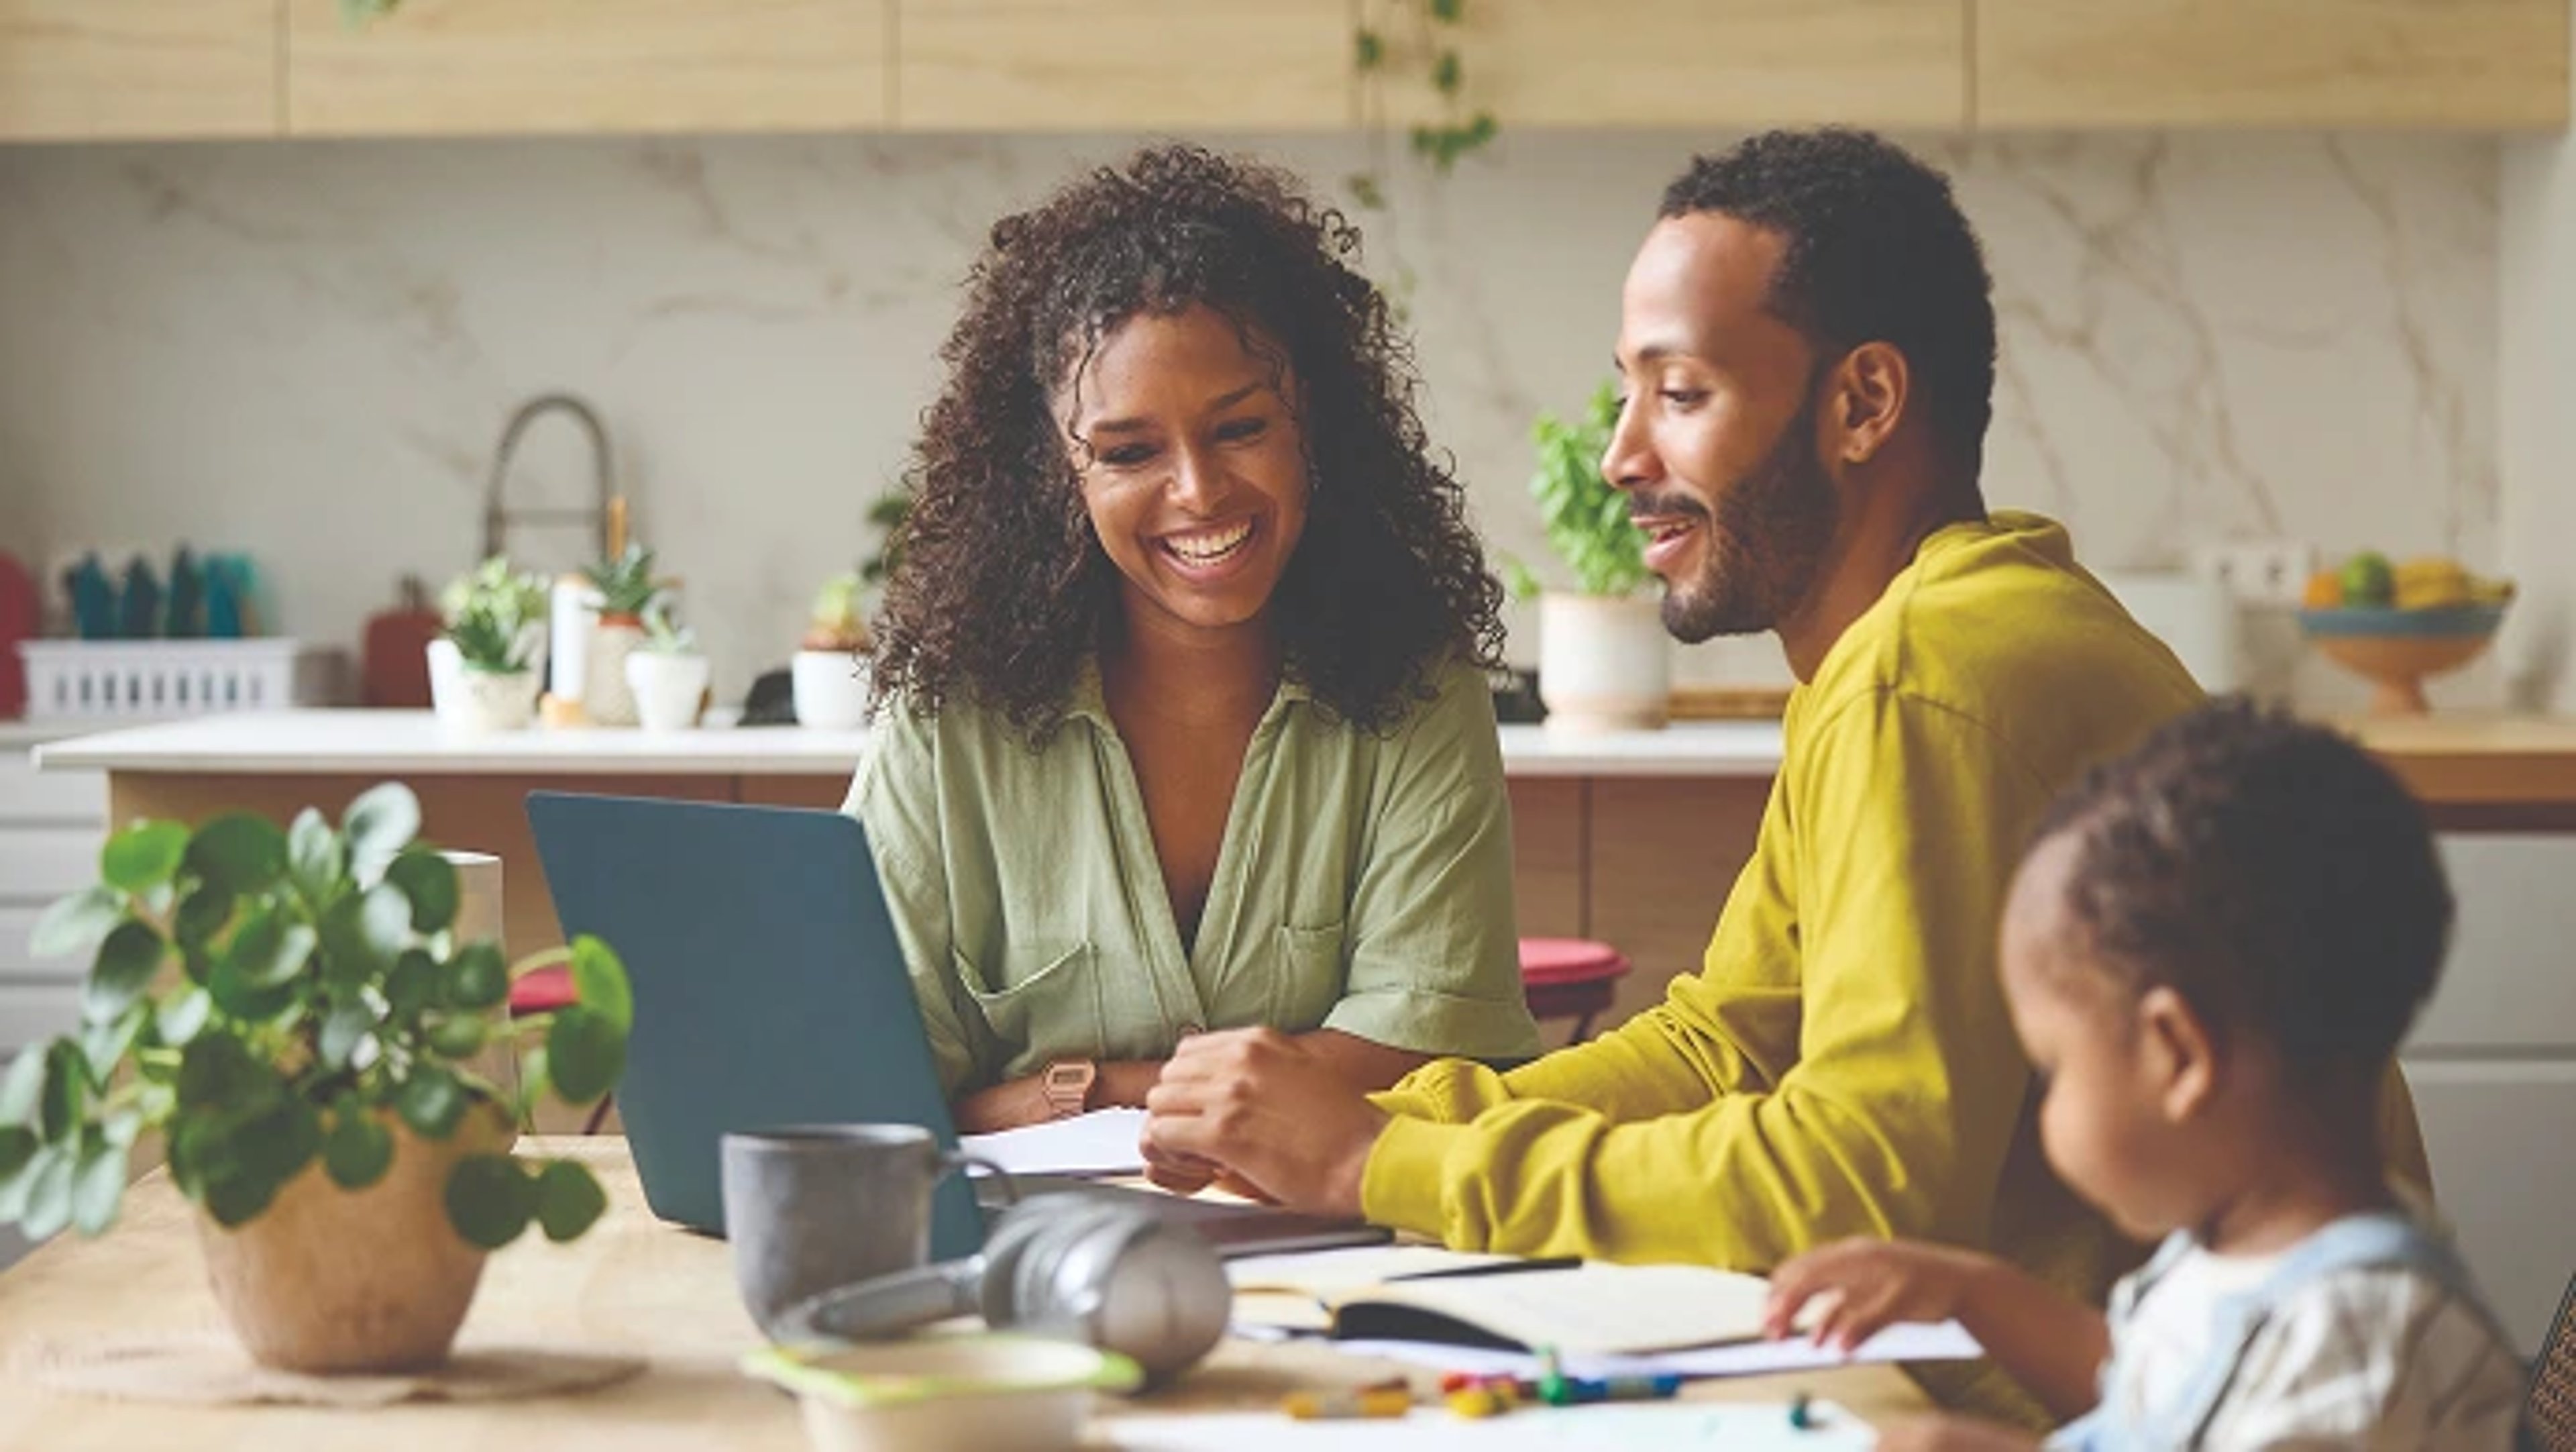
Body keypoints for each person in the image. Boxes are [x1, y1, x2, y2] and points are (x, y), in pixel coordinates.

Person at [1140, 128, 2429, 1421]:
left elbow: (1861, 1177)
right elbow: (1730, 1039)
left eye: (1682, 393)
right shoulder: (1918, 640)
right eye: (1628, 393)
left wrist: (1385, 1157)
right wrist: (1386, 1121)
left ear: (1864, 403)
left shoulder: (1925, 675)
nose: (1621, 457)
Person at [851, 144, 1542, 1135]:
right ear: (1054, 477)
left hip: (1335, 1251)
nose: (1200, 492)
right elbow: (869, 1087)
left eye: (1239, 429)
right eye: (1129, 452)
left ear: (1315, 427)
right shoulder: (946, 723)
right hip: (1022, 1261)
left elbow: (1424, 1051)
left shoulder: (1419, 691)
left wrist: (1077, 1093)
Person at [1764, 701, 2527, 1451]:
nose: (2046, 1111)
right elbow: (2151, 1392)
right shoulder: (2241, 1249)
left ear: (2179, 1055)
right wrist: (1969, 1292)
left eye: (2055, 1067)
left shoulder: (2363, 1345)